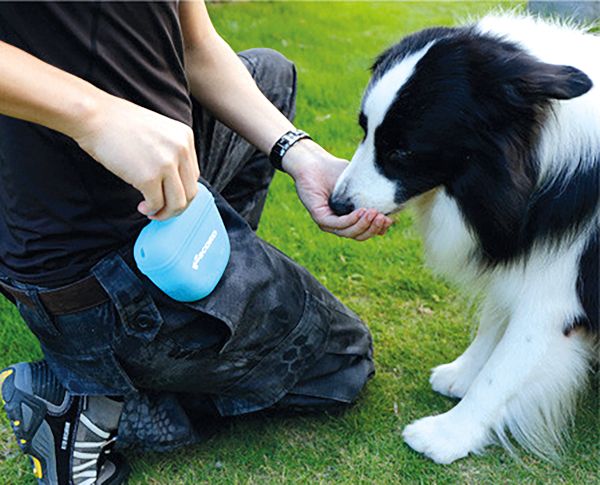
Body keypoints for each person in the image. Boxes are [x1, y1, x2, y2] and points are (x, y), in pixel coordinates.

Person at [0, 2, 393, 484]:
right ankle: (90, 407)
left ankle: (215, 289)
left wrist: (300, 153)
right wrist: (94, 115)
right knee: (343, 359)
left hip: (151, 180)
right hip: (92, 260)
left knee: (269, 73)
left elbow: (196, 44)